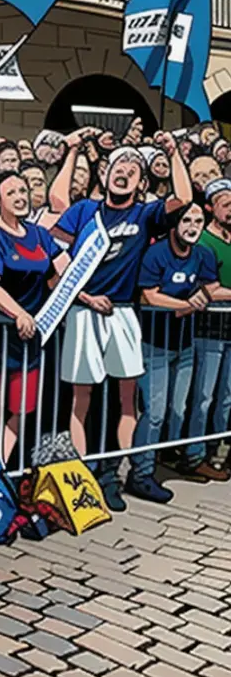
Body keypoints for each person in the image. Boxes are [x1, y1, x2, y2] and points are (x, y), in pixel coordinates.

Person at [52, 135, 191, 510]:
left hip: (124, 312)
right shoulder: (83, 211)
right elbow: (54, 252)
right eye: (118, 168)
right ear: (105, 173)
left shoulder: (144, 214)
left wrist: (174, 153)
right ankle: (82, 476)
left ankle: (112, 473)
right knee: (82, 399)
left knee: (125, 399)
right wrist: (80, 296)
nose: (124, 174)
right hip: (83, 312)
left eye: (133, 171)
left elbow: (185, 198)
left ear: (141, 183)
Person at [0, 171, 69, 465]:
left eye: (23, 191)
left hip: (29, 343)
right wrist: (19, 313)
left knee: (21, 408)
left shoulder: (39, 234)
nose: (21, 197)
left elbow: (58, 274)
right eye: (12, 193)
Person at [131, 200, 220, 503]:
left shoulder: (203, 255)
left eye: (198, 221)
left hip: (183, 345)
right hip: (154, 344)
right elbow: (148, 296)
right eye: (187, 221)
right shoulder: (156, 254)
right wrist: (185, 305)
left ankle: (168, 458)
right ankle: (141, 473)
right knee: (153, 414)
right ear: (174, 224)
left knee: (177, 410)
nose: (193, 227)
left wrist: (200, 297)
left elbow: (210, 286)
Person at [182, 178, 231, 480]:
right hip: (209, 328)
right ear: (211, 207)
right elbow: (209, 289)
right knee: (203, 395)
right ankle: (193, 453)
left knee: (227, 395)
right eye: (226, 205)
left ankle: (219, 451)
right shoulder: (203, 242)